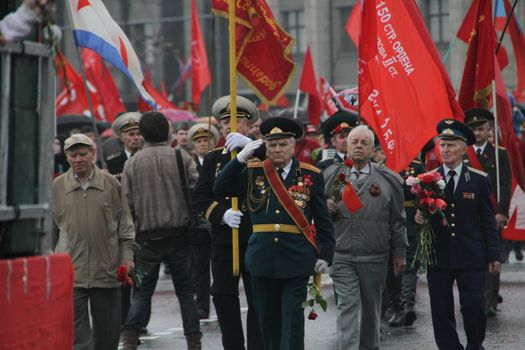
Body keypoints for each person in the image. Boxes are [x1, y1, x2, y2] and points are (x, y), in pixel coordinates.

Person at [213, 117, 335, 350]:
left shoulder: (310, 174)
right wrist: (239, 159)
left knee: (292, 320)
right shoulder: (252, 171)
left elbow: (322, 219)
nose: (277, 150)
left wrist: (325, 254)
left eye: (283, 144)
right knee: (267, 322)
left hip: (296, 258)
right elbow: (220, 188)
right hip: (261, 258)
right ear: (265, 146)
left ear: (293, 146)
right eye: (272, 145)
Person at [415, 119, 500, 350]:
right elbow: (421, 216)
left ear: (464, 148)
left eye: (451, 145)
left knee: (473, 305)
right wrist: (419, 218)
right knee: (441, 310)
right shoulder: (427, 180)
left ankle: (475, 344)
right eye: (442, 145)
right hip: (439, 256)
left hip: (470, 254)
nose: (445, 150)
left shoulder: (479, 180)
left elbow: (487, 221)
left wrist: (493, 255)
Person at [121, 111, 202, 350]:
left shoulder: (131, 163)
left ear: (143, 133)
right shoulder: (182, 157)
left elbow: (127, 203)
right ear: (167, 132)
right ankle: (194, 342)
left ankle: (129, 339)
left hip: (146, 240)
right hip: (180, 236)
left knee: (142, 294)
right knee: (186, 294)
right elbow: (196, 191)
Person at [323, 125, 407, 350]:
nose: (358, 146)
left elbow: (398, 220)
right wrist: (326, 205)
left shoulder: (389, 180)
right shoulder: (335, 176)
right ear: (346, 146)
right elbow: (318, 211)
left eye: (364, 143)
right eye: (354, 142)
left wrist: (399, 253)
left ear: (372, 149)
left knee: (371, 309)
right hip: (342, 255)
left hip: (374, 256)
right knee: (347, 307)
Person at [192, 95, 264, 350]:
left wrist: (254, 145)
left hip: (256, 236)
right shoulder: (213, 159)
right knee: (222, 296)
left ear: (248, 124)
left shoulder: (262, 152)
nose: (229, 127)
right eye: (224, 123)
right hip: (225, 237)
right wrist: (220, 214)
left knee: (258, 299)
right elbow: (200, 198)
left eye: (236, 121)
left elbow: (278, 170)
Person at [52, 133, 135, 350]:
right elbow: (50, 231)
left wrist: (127, 260)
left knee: (108, 339)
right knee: (79, 341)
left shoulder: (110, 184)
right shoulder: (57, 187)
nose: (78, 159)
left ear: (93, 154)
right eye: (73, 154)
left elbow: (125, 227)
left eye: (83, 154)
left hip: (106, 271)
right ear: (67, 157)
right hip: (71, 273)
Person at [463, 108, 511, 317]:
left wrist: (502, 211)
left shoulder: (499, 153)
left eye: (481, 128)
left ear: (488, 129)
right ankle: (473, 297)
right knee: (470, 257)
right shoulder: (463, 153)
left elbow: (505, 184)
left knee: (492, 256)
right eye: (474, 129)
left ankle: (490, 301)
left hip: (491, 214)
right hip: (468, 214)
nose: (478, 133)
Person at [385, 158, 425, 327]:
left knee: (410, 261)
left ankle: (407, 305)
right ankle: (396, 305)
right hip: (388, 217)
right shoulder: (382, 166)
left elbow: (421, 192)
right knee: (390, 261)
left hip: (409, 216)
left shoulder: (416, 165)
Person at [186, 122, 219, 320]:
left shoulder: (219, 161)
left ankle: (219, 300)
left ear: (213, 142)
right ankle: (202, 305)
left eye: (206, 140)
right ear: (193, 145)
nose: (202, 144)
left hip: (217, 220)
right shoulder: (188, 164)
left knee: (218, 264)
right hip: (197, 223)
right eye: (198, 141)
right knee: (199, 268)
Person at [105, 112, 143, 181]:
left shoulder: (148, 158)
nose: (136, 137)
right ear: (122, 137)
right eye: (131, 134)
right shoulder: (112, 162)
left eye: (139, 134)